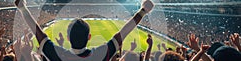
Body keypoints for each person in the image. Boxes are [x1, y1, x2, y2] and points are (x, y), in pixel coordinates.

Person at [14, 0, 154, 60]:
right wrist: (143, 11)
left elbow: (39, 34)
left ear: (68, 38)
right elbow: (122, 34)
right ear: (89, 37)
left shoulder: (58, 55)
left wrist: (22, 8)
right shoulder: (100, 54)